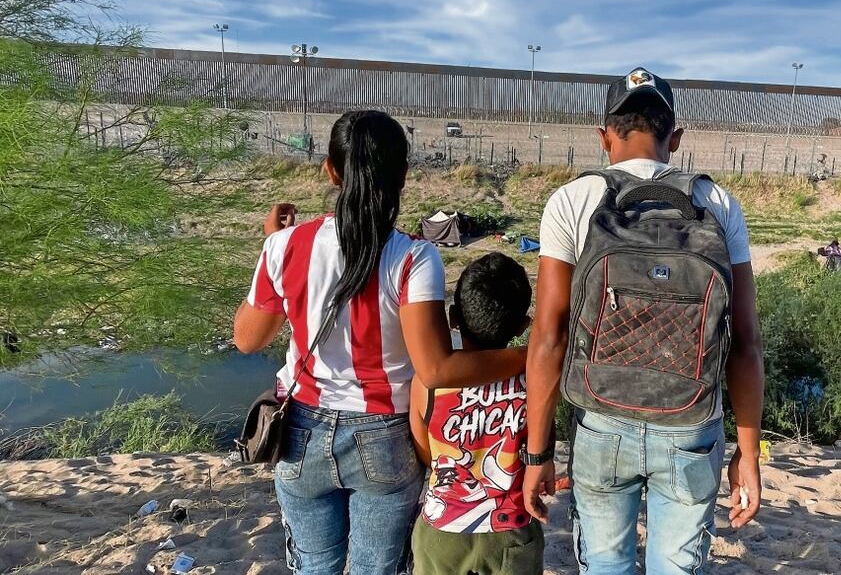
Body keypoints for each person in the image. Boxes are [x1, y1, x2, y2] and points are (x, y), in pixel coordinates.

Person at [232, 110, 525, 575]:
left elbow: (248, 338)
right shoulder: (414, 257)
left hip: (302, 430)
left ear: (331, 171)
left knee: (314, 567)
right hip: (384, 435)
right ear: (403, 175)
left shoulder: (285, 246)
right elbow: (436, 369)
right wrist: (530, 355)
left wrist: (272, 245)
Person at [522, 68, 766, 573]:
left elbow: (548, 338)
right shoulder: (718, 203)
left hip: (601, 418)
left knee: (604, 564)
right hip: (691, 422)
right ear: (674, 137)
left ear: (604, 135)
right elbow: (746, 342)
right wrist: (748, 454)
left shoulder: (571, 201)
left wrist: (538, 454)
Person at [408, 252, 544, 575]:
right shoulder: (535, 380)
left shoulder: (428, 383)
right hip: (511, 528)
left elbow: (425, 454)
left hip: (442, 530)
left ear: (453, 317)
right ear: (523, 326)